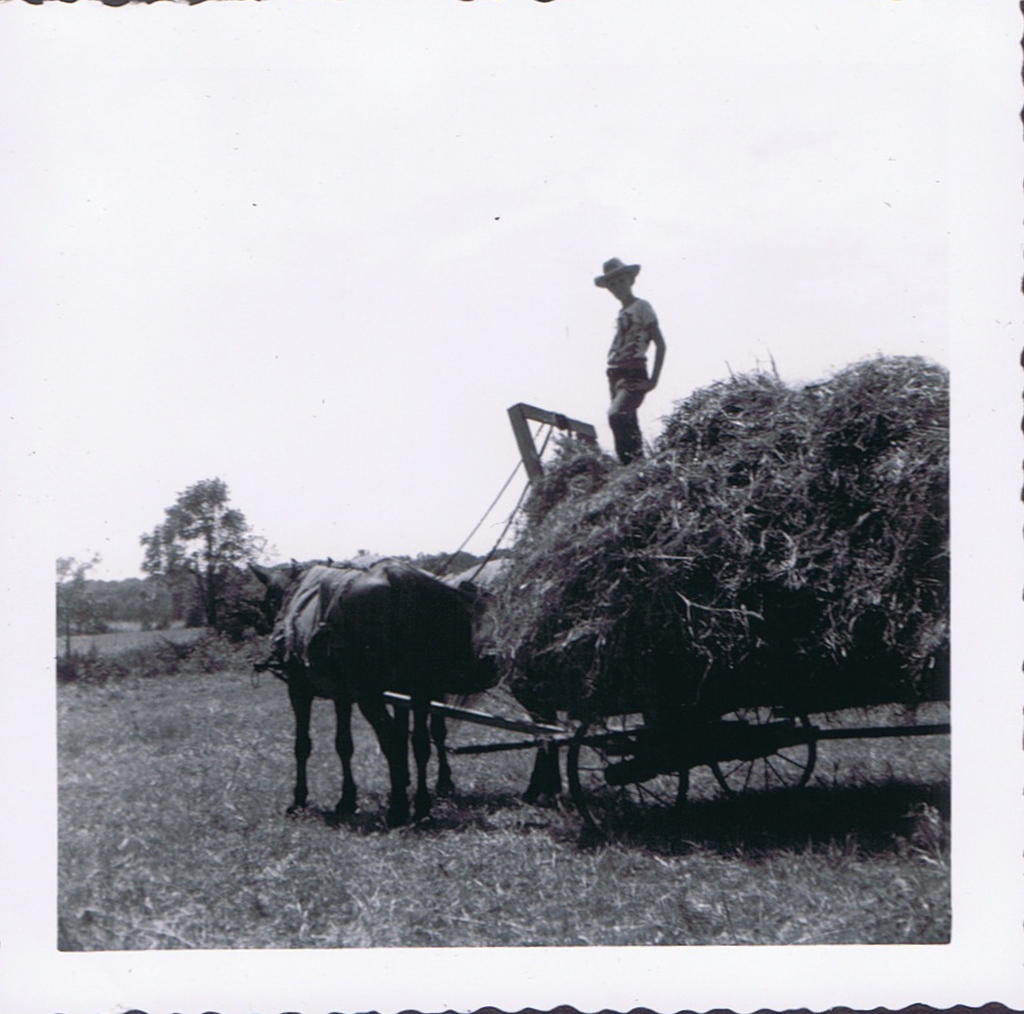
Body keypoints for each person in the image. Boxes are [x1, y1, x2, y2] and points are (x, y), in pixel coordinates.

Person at [594, 257, 666, 464]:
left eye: (620, 281)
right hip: (615, 373)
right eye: (612, 284)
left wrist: (653, 381)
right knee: (627, 425)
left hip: (633, 372)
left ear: (630, 280)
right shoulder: (621, 313)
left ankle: (630, 468)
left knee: (616, 415)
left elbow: (660, 344)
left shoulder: (642, 306)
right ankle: (635, 469)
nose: (617, 287)